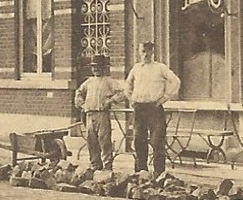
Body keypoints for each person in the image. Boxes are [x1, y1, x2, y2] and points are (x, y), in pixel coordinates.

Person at [124, 41, 181, 175]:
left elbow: (176, 81)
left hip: (154, 108)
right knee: (139, 140)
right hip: (139, 108)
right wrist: (131, 98)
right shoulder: (136, 68)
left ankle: (159, 173)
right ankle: (141, 172)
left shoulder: (160, 68)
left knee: (157, 141)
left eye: (148, 51)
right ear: (139, 52)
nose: (146, 54)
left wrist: (165, 97)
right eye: (143, 51)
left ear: (152, 52)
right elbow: (127, 84)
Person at [74, 55, 125, 170]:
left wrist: (111, 100)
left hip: (102, 115)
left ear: (104, 68)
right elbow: (78, 93)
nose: (95, 69)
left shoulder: (109, 81)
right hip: (89, 115)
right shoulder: (89, 82)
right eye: (93, 67)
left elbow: (122, 93)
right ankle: (95, 165)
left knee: (104, 141)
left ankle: (107, 167)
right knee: (91, 142)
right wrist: (82, 105)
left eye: (98, 67)